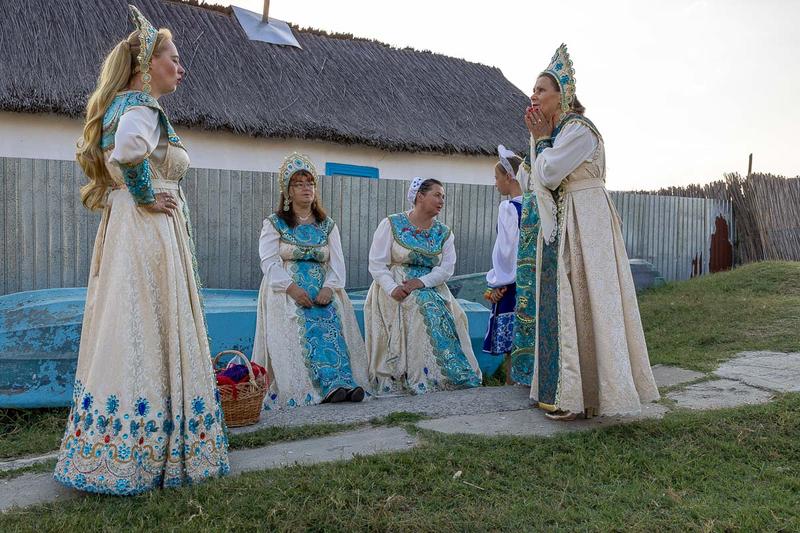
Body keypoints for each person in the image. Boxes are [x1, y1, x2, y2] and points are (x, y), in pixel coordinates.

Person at [54, 5, 229, 495]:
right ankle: (147, 449)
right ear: (147, 62)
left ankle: (115, 448)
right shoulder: (142, 108)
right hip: (147, 231)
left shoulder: (120, 107)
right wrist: (148, 192)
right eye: (174, 57)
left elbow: (122, 154)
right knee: (147, 324)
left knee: (127, 324)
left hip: (129, 231)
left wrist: (139, 192)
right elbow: (130, 152)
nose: (181, 66)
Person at [521, 44, 660, 420]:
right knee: (566, 299)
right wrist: (541, 140)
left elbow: (547, 174)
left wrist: (541, 140)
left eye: (541, 90)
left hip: (586, 219)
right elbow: (536, 176)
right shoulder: (558, 131)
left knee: (587, 296)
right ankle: (566, 391)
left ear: (561, 96)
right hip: (567, 220)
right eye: (533, 90)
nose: (533, 96)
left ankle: (584, 394)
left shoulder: (579, 130)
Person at [252, 153, 369, 408]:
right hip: (286, 292)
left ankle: (344, 384)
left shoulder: (327, 226)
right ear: (288, 191)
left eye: (310, 183)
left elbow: (337, 262)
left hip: (323, 291)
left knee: (331, 328)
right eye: (299, 183)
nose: (306, 188)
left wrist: (329, 287)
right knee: (301, 334)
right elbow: (269, 261)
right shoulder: (275, 224)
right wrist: (292, 288)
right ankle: (314, 389)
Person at [364, 177, 482, 395]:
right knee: (419, 308)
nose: (441, 200)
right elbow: (377, 263)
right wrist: (392, 288)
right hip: (394, 287)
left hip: (431, 287)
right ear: (420, 196)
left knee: (454, 316)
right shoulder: (391, 224)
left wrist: (421, 282)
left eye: (443, 196)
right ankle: (416, 378)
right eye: (437, 195)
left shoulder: (444, 232)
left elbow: (446, 269)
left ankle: (448, 376)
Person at [482, 145, 530, 385]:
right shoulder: (533, 207)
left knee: (512, 344)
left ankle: (511, 387)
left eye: (496, 177)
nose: (495, 183)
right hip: (530, 280)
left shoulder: (508, 208)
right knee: (528, 337)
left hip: (511, 283)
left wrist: (497, 282)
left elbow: (506, 251)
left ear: (509, 177)